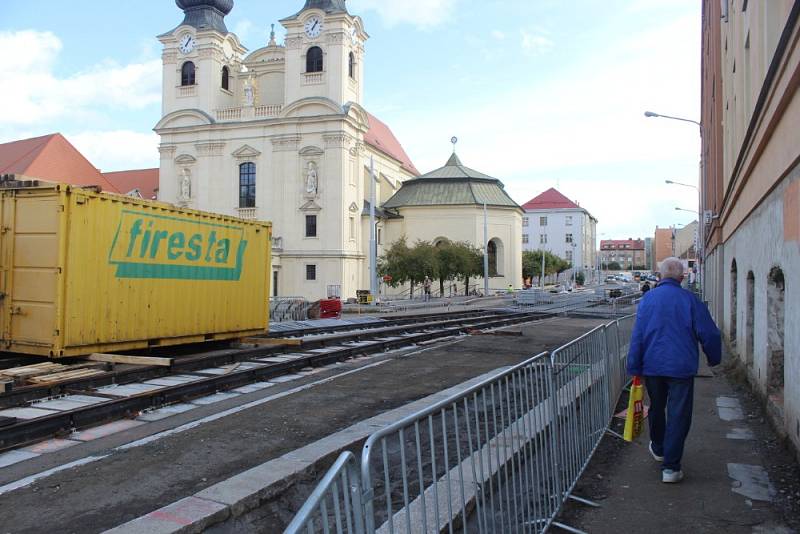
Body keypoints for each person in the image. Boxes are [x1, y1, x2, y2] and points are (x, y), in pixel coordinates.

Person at [627, 257, 721, 484]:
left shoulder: (648, 300)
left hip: (652, 366)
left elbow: (638, 335)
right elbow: (710, 334)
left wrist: (634, 365)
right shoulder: (690, 300)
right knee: (679, 414)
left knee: (657, 408)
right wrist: (713, 359)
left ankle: (658, 448)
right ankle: (671, 468)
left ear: (659, 276)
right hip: (681, 367)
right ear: (681, 277)